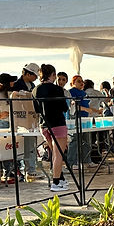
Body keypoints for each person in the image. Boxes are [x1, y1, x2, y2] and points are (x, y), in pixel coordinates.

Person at [32, 64, 71, 192]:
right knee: (58, 154)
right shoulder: (57, 90)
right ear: (53, 75)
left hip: (44, 124)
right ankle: (55, 182)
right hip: (58, 123)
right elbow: (64, 107)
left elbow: (36, 109)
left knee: (53, 152)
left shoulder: (35, 90)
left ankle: (60, 178)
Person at [12, 63, 41, 177]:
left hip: (30, 119)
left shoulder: (32, 85)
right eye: (35, 75)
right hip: (20, 119)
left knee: (31, 144)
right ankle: (24, 169)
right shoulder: (17, 85)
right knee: (20, 146)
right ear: (28, 74)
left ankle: (31, 168)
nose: (36, 78)